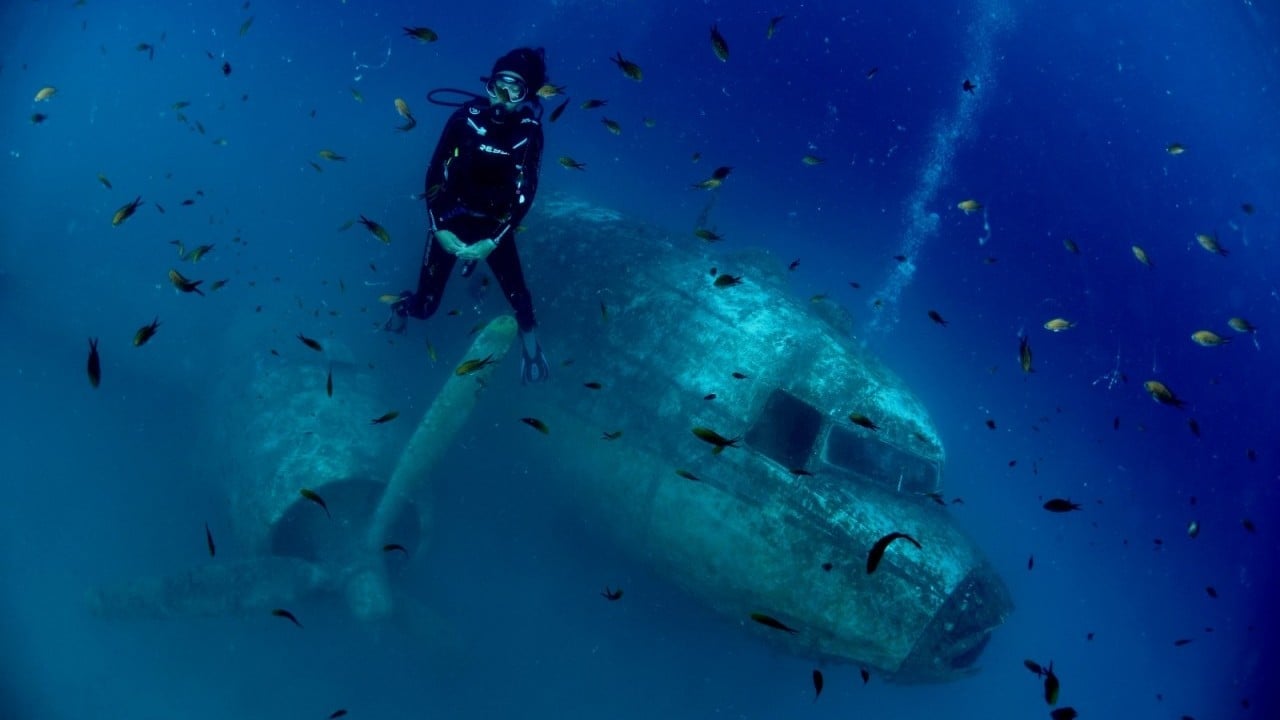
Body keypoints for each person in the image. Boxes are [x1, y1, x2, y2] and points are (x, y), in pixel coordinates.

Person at [386, 47, 551, 383]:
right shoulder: (465, 118)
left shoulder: (530, 132)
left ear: (528, 95)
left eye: (515, 89)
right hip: (450, 219)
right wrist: (439, 228)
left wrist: (494, 240)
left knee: (520, 298)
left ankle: (532, 349)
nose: (503, 96)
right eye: (498, 85)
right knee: (425, 308)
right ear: (488, 85)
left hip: (494, 227)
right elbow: (434, 172)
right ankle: (401, 306)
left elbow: (527, 193)